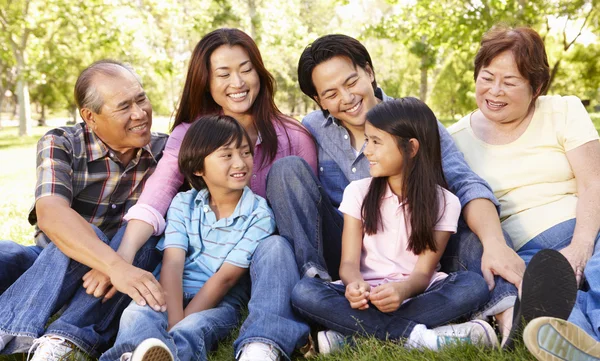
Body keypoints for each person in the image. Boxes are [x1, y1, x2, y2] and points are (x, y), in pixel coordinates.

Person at [265, 33, 525, 348]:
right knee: (286, 170)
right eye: (330, 93)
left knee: (481, 235)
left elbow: (464, 183)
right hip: (346, 259)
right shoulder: (313, 129)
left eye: (351, 82)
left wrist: (495, 242)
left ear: (369, 72)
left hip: (417, 256)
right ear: (319, 101)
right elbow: (296, 193)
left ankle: (509, 311)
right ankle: (418, 331)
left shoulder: (412, 121)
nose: (346, 98)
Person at [81, 29, 316, 361]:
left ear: (260, 72)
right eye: (223, 73)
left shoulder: (293, 138)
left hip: (262, 267)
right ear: (206, 82)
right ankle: (131, 353)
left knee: (272, 247)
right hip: (197, 265)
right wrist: (117, 261)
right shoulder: (189, 140)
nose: (238, 81)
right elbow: (155, 200)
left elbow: (310, 221)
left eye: (246, 69)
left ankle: (275, 330)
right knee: (139, 308)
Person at [291, 98, 497, 354]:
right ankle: (423, 338)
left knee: (473, 286)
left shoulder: (445, 202)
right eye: (368, 140)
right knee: (304, 292)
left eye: (377, 142)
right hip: (366, 297)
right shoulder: (358, 192)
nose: (367, 151)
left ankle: (353, 336)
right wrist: (354, 284)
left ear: (411, 148)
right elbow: (348, 264)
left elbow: (422, 274)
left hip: (418, 294)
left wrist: (402, 290)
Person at [0, 60, 168, 360]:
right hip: (53, 262)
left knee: (145, 239)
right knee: (11, 255)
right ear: (90, 117)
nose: (140, 113)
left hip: (114, 279)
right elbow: (52, 214)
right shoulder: (62, 142)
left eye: (142, 99)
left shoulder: (165, 154)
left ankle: (52, 338)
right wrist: (115, 267)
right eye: (124, 106)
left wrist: (119, 267)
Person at [447, 25, 600, 355]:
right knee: (544, 296)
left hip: (589, 226)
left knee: (598, 268)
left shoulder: (564, 110)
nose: (495, 91)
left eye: (510, 81)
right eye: (487, 78)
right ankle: (576, 343)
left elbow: (593, 181)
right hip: (524, 249)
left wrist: (581, 245)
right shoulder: (455, 139)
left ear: (537, 87)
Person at [100, 115, 276, 361]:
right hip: (171, 290)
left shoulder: (260, 214)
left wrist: (179, 324)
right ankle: (131, 354)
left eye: (245, 153)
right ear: (197, 168)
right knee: (136, 314)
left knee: (193, 329)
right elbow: (173, 264)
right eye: (227, 155)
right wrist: (173, 317)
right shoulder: (184, 203)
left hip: (220, 301)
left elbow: (225, 279)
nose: (240, 162)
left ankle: (171, 355)